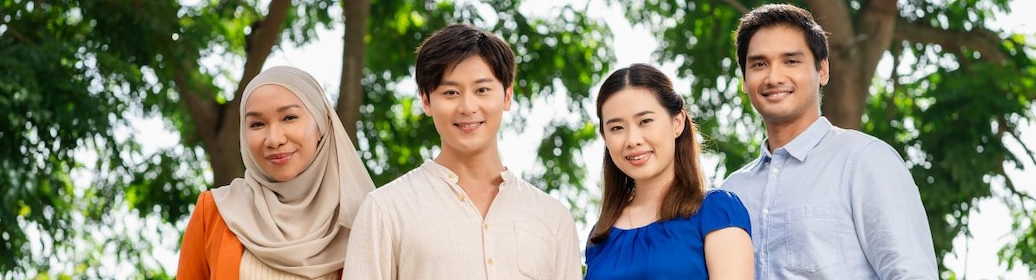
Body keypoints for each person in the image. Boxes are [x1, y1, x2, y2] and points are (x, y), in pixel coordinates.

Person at [342, 23, 581, 280]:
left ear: (507, 96)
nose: (467, 107)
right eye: (451, 92)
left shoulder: (553, 217)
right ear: (426, 100)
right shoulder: (386, 210)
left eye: (482, 90)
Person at [720, 3, 938, 279]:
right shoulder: (732, 191)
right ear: (744, 79)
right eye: (760, 64)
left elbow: (911, 273)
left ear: (822, 70)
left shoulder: (864, 160)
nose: (774, 77)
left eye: (791, 61)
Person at [176, 66, 376, 279]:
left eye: (289, 118)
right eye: (257, 124)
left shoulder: (362, 218)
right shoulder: (215, 211)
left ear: (322, 124)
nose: (274, 139)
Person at [583, 63, 755, 279]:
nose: (632, 140)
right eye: (617, 128)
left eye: (645, 121)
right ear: (605, 137)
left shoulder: (717, 211)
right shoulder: (600, 236)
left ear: (677, 122)